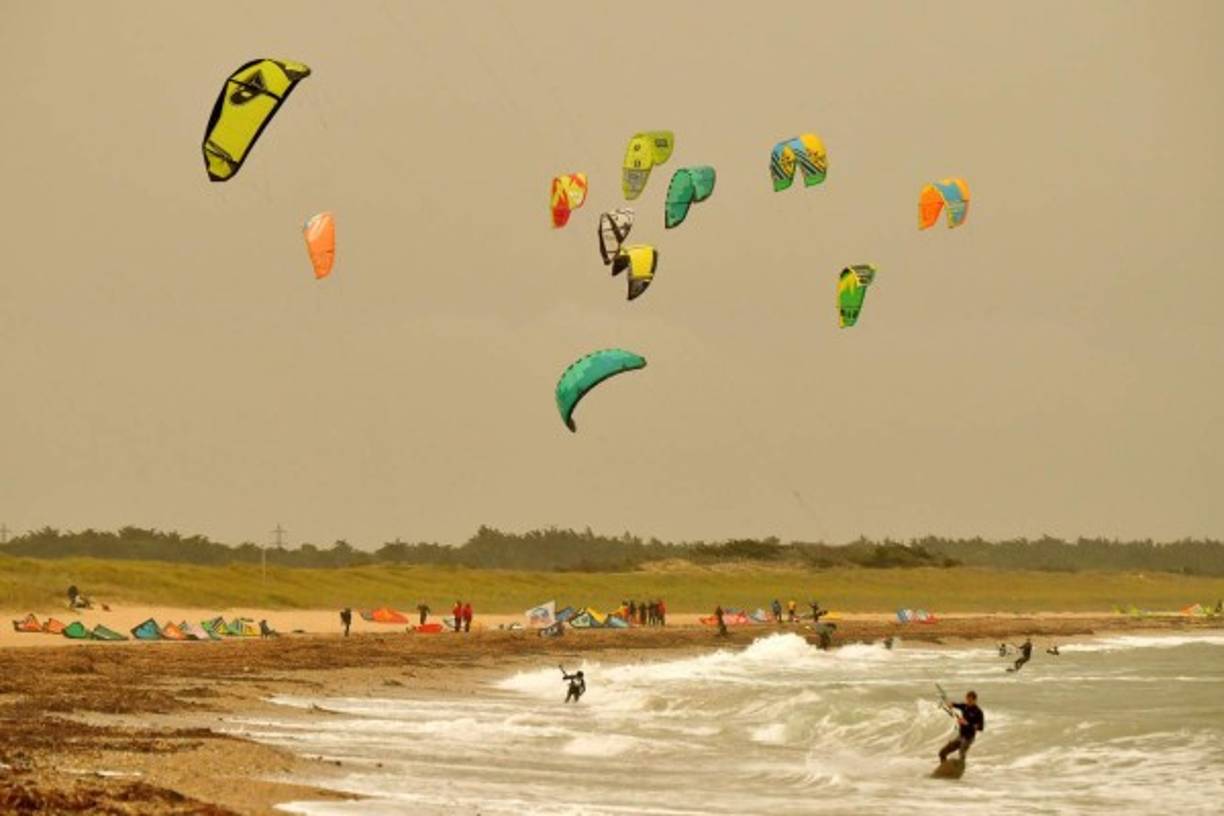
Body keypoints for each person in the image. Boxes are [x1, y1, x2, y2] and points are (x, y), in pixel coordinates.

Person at [938, 690, 985, 763]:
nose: (968, 703)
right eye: (967, 700)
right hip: (960, 736)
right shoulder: (965, 706)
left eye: (970, 701)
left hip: (969, 738)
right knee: (942, 753)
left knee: (961, 753)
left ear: (975, 700)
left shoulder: (978, 712)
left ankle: (959, 769)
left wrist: (967, 724)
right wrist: (950, 705)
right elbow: (955, 705)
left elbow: (980, 728)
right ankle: (944, 769)